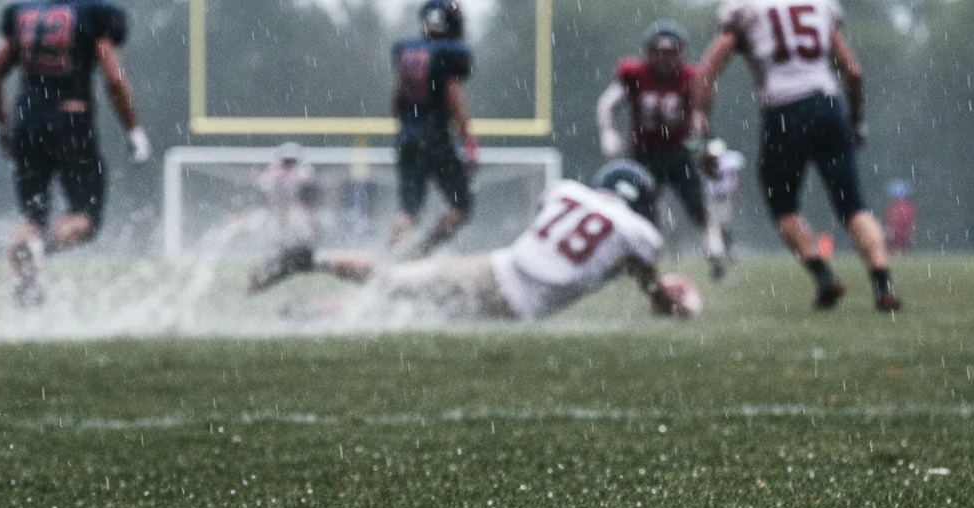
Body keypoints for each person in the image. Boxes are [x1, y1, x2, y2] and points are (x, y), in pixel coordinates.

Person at [248, 161, 697, 322]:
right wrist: (679, 302)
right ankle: (310, 269)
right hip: (507, 298)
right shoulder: (641, 235)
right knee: (392, 294)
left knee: (396, 297)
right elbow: (656, 296)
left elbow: (552, 225)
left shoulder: (566, 190)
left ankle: (307, 297)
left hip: (495, 271)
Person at [692, 0, 901, 311]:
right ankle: (883, 284)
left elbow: (707, 72)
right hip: (828, 107)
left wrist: (701, 130)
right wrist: (857, 120)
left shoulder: (745, 9)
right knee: (853, 204)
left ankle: (824, 276)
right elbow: (853, 73)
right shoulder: (818, 6)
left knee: (783, 206)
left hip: (783, 111)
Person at [0, 0, 152, 306]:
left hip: (27, 124)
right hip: (71, 122)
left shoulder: (21, 12)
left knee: (33, 216)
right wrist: (133, 129)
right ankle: (40, 247)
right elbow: (113, 78)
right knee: (85, 217)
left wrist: (3, 127)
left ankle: (27, 304)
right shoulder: (95, 13)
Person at [597, 20, 728, 279]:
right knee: (637, 216)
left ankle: (717, 258)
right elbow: (607, 103)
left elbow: (699, 119)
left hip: (678, 154)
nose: (665, 58)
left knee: (700, 211)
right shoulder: (634, 74)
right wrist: (608, 131)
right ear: (649, 51)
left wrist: (703, 145)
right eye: (660, 51)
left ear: (681, 52)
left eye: (671, 52)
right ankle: (636, 263)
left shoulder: (691, 78)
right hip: (643, 156)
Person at [389, 0, 477, 258]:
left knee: (408, 211)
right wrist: (468, 141)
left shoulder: (407, 50)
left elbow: (396, 99)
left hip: (407, 136)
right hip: (435, 136)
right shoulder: (450, 53)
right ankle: (421, 252)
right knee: (462, 207)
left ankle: (389, 259)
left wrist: (409, 126)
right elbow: (454, 99)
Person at [247, 143, 323, 291]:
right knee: (280, 246)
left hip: (295, 215)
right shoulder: (274, 174)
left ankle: (287, 262)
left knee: (297, 245)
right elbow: (269, 196)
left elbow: (310, 198)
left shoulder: (303, 173)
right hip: (277, 215)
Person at [699, 138, 746, 263]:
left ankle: (726, 250)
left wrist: (738, 190)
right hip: (710, 199)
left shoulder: (728, 160)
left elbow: (735, 176)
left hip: (724, 198)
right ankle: (716, 254)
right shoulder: (705, 162)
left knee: (726, 226)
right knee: (713, 227)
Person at [884, 180, 916, 254]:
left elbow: (892, 221)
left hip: (898, 232)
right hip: (902, 232)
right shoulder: (907, 206)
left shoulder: (896, 206)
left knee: (896, 248)